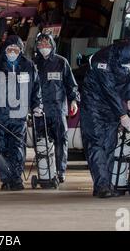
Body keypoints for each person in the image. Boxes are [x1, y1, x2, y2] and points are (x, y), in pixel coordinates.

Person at [80, 39, 130, 198]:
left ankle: (105, 184)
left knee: (109, 144)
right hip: (94, 106)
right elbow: (109, 91)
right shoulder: (102, 62)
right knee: (97, 144)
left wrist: (129, 99)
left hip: (111, 108)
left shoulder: (128, 61)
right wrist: (122, 115)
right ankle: (102, 186)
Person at [0, 35, 42, 191]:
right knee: (2, 148)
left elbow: (36, 87)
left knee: (18, 147)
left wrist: (37, 105)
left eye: (16, 49)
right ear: (5, 50)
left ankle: (16, 178)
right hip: (1, 114)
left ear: (21, 50)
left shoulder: (29, 66)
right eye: (9, 49)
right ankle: (6, 179)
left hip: (19, 114)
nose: (12, 51)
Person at [33, 33, 80, 183]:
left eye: (47, 44)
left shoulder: (61, 62)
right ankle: (45, 171)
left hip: (58, 109)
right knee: (41, 141)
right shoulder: (33, 64)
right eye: (40, 44)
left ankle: (60, 171)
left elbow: (71, 85)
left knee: (61, 140)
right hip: (39, 111)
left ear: (52, 45)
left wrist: (73, 101)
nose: (44, 47)